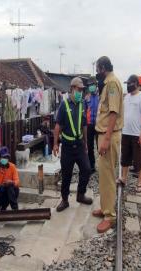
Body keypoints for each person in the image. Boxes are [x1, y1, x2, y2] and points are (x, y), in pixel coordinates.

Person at [92, 56, 124, 233]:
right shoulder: (110, 82)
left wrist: (106, 138)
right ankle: (105, 209)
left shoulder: (111, 84)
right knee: (103, 175)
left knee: (109, 175)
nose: (97, 73)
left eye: (98, 69)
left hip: (108, 135)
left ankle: (110, 216)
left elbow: (113, 113)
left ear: (103, 67)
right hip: (105, 134)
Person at [53, 77, 93, 212]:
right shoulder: (64, 104)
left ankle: (80, 194)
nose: (80, 92)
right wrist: (55, 144)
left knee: (87, 169)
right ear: (72, 89)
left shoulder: (83, 104)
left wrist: (86, 143)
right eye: (78, 89)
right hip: (67, 147)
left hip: (80, 145)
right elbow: (58, 126)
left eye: (82, 90)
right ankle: (64, 200)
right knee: (66, 175)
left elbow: (84, 125)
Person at [118, 75, 141, 193]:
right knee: (125, 158)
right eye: (127, 83)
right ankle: (123, 178)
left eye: (130, 83)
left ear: (136, 84)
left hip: (136, 134)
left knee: (138, 160)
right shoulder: (126, 98)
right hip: (125, 132)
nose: (128, 85)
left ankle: (139, 183)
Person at [85, 76, 100, 173]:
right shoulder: (86, 97)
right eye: (89, 85)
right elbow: (84, 111)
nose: (91, 87)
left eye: (92, 85)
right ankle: (91, 166)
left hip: (99, 125)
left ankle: (102, 165)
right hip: (89, 124)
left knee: (100, 146)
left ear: (96, 85)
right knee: (90, 146)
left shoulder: (101, 96)